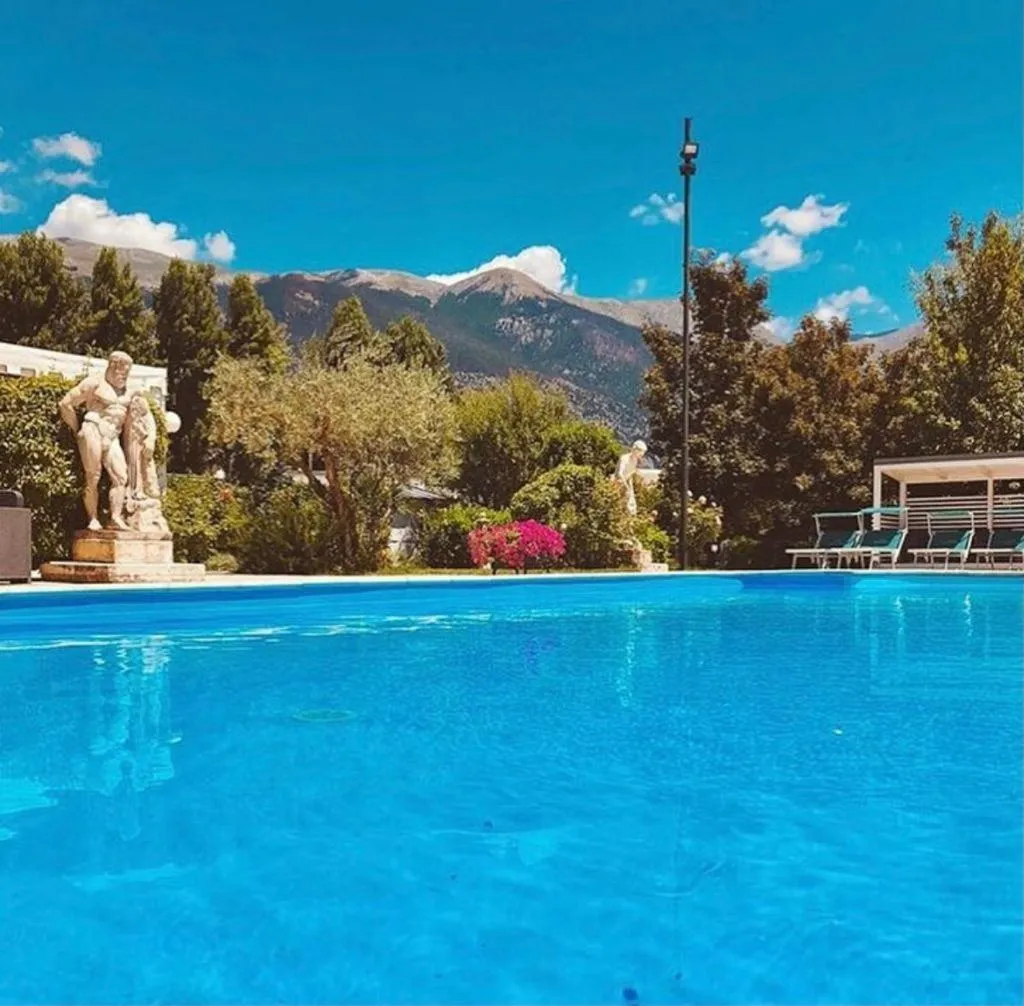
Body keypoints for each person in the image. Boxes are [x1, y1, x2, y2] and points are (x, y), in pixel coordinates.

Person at [58, 351, 134, 531]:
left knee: (121, 477)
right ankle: (92, 518)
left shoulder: (128, 391)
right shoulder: (94, 383)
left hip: (113, 435)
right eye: (123, 371)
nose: (125, 375)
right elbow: (66, 403)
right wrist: (77, 430)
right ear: (113, 366)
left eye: (127, 372)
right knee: (93, 476)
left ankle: (115, 517)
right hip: (94, 427)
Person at [614, 439, 647, 516]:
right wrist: (625, 486)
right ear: (635, 450)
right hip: (619, 483)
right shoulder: (624, 458)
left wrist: (630, 486)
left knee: (631, 504)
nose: (641, 455)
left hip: (627, 483)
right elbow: (620, 473)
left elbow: (630, 474)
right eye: (641, 453)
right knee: (620, 505)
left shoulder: (635, 460)